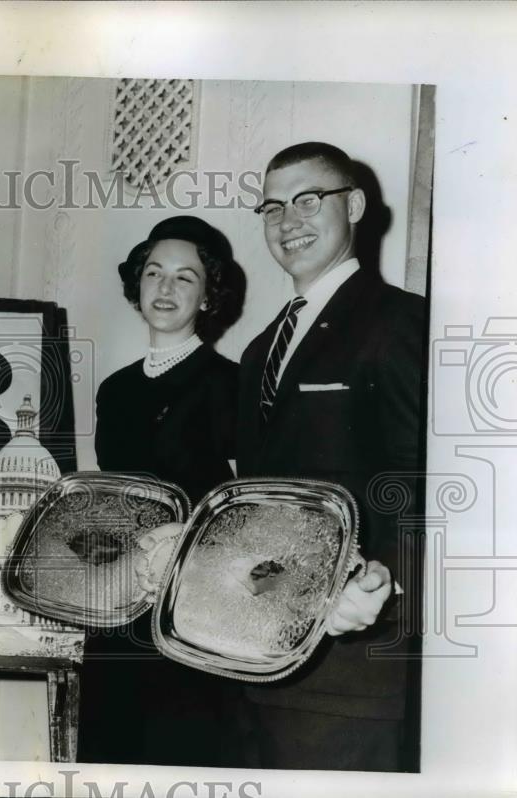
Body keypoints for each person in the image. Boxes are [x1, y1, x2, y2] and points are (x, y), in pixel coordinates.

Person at [236, 141, 426, 771]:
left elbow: (424, 479)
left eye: (308, 200)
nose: (288, 221)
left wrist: (382, 577)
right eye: (271, 207)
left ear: (356, 205)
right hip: (264, 659)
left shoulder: (401, 322)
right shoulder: (259, 351)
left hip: (357, 665)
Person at [77, 216, 246, 766]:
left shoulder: (228, 383)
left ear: (207, 295)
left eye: (184, 277)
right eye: (154, 273)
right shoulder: (115, 389)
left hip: (193, 613)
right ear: (137, 285)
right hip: (118, 606)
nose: (166, 288)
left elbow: (242, 509)